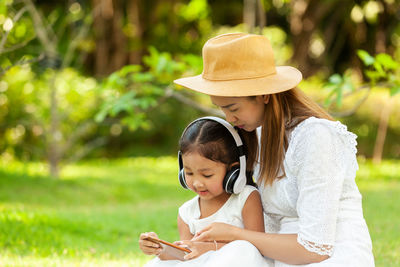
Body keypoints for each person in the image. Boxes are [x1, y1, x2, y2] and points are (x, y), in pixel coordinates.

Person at [174, 33, 375, 266]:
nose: (229, 118)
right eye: (221, 108)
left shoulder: (315, 137)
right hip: (275, 257)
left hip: (331, 258)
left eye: (233, 107)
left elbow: (316, 249)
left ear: (264, 95)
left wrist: (236, 235)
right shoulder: (255, 133)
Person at [139, 116, 272, 266]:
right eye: (189, 173)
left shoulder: (247, 198)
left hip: (241, 261)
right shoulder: (187, 212)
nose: (197, 183)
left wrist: (210, 248)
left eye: (207, 175)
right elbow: (185, 256)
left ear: (232, 172)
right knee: (156, 264)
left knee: (242, 247)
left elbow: (257, 248)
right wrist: (160, 249)